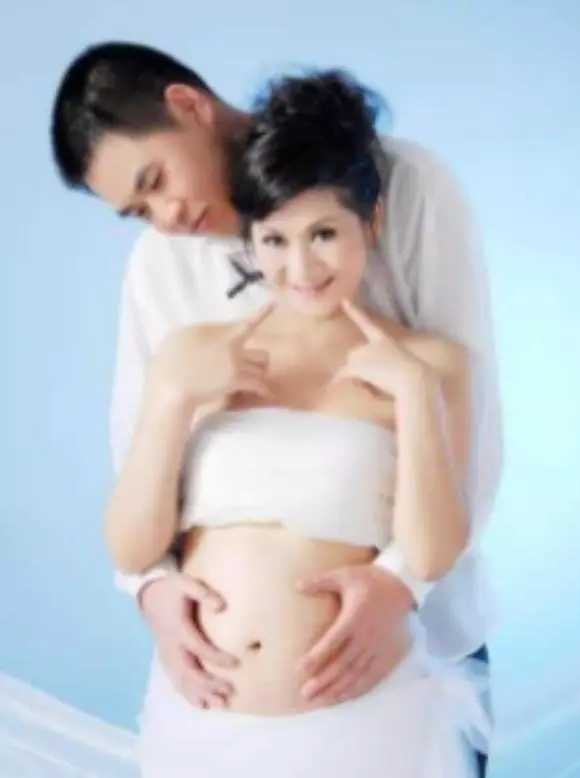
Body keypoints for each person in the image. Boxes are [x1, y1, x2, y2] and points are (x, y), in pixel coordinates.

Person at [51, 43, 502, 776]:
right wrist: (152, 589)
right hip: (211, 707)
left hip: (397, 664)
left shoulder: (405, 183)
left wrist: (400, 585)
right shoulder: (161, 262)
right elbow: (138, 458)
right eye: (139, 210)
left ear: (188, 106)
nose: (166, 217)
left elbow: (469, 431)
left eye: (156, 181)